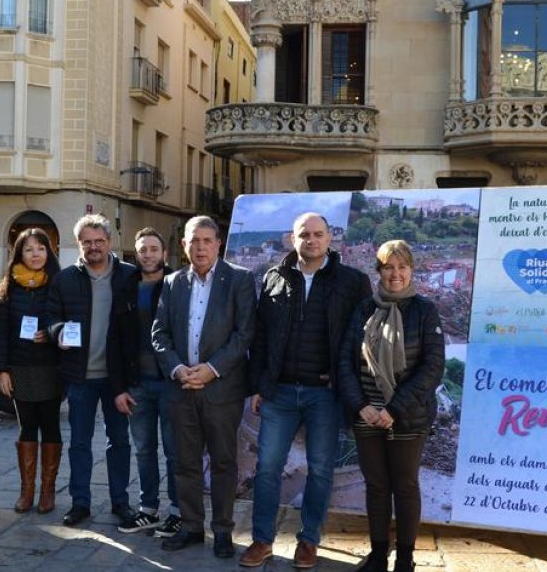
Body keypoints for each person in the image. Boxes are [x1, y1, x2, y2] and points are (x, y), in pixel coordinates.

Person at [241, 212, 373, 569]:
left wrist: (348, 387)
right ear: (292, 238)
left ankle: (309, 540)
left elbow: (361, 339)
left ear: (330, 238)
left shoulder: (353, 282)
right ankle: (262, 540)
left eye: (318, 234)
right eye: (304, 234)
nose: (311, 240)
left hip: (325, 394)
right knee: (267, 468)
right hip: (279, 392)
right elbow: (262, 336)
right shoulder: (274, 278)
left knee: (320, 469)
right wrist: (258, 386)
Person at [336, 240, 445, 572]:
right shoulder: (364, 309)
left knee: (405, 485)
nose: (395, 273)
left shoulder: (425, 311)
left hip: (407, 417)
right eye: (388, 266)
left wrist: (393, 410)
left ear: (411, 269)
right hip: (367, 414)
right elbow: (345, 362)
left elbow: (432, 367)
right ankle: (379, 555)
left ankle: (405, 560)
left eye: (401, 266)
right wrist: (361, 406)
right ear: (379, 270)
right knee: (377, 485)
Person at [152, 215, 255, 559]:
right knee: (185, 463)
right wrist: (179, 369)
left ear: (218, 244)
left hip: (221, 390)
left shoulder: (239, 279)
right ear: (183, 246)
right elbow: (159, 334)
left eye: (207, 240)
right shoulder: (172, 282)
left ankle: (223, 530)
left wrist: (211, 370)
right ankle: (192, 527)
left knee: (225, 463)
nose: (200, 247)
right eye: (193, 241)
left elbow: (244, 335)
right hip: (181, 389)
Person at [46, 214, 137, 526]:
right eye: (87, 242)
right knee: (80, 443)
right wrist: (58, 332)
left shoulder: (129, 276)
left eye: (99, 241)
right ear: (78, 244)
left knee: (120, 441)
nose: (94, 247)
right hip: (79, 376)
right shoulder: (65, 279)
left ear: (110, 243)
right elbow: (52, 316)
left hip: (117, 379)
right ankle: (80, 502)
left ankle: (121, 503)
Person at [109, 227, 180, 537]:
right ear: (136, 255)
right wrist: (119, 388)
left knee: (175, 450)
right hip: (137, 384)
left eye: (153, 249)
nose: (148, 254)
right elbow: (114, 339)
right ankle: (148, 509)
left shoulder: (179, 285)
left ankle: (179, 511)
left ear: (164, 254)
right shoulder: (125, 286)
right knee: (144, 450)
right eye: (142, 250)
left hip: (171, 384)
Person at [0, 228, 63, 514]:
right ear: (19, 254)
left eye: (41, 249)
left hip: (51, 368)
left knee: (50, 425)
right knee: (26, 426)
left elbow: (66, 323)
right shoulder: (8, 289)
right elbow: (1, 333)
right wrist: (2, 371)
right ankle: (26, 492)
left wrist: (51, 334)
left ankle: (48, 492)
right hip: (20, 368)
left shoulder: (59, 285)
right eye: (29, 249)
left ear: (49, 253)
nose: (35, 254)